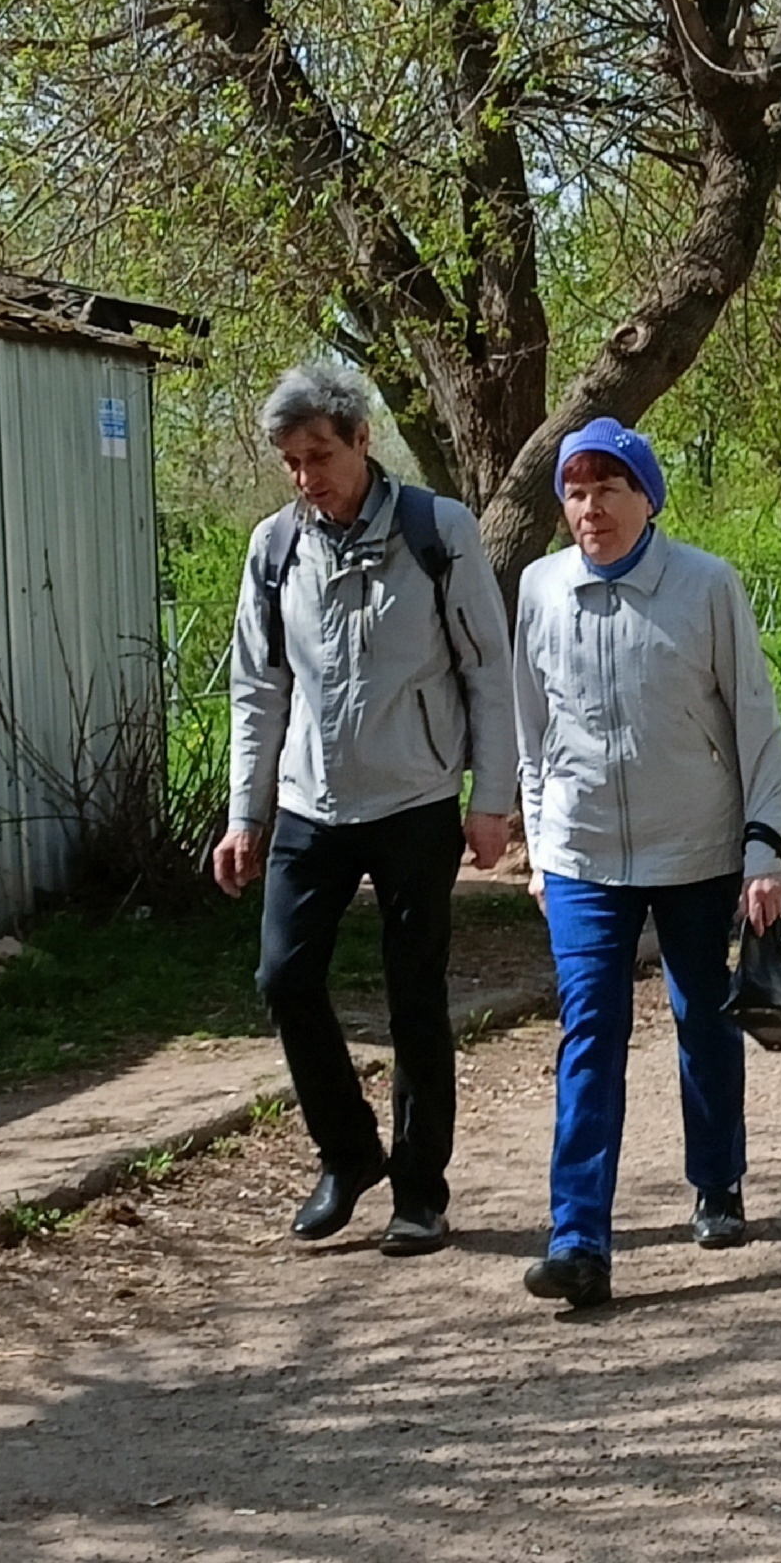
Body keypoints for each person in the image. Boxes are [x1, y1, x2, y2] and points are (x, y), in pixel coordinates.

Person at [213, 361, 518, 1257]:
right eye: (290, 461)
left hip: (416, 796)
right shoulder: (275, 549)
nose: (307, 476)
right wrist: (246, 814)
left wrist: (491, 800)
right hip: (311, 802)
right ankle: (348, 1157)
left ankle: (421, 1191)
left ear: (360, 440)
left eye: (319, 455)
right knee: (283, 978)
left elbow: (487, 674)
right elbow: (256, 689)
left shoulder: (436, 530)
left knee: (414, 995)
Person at [511, 416, 781, 1309]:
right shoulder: (541, 589)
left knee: (702, 1016)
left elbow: (757, 720)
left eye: (608, 488)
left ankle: (716, 1182)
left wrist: (764, 845)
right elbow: (530, 730)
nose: (589, 508)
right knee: (588, 1032)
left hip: (697, 848)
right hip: (583, 853)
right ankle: (579, 1237)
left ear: (646, 496)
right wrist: (538, 841)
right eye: (575, 491)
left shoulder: (706, 586)